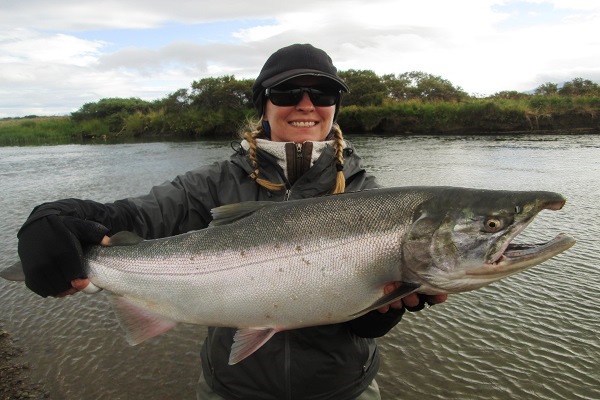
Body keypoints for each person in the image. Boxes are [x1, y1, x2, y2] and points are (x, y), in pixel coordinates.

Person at [17, 43, 447, 400]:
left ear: (335, 107)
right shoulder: (211, 183)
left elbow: (368, 315)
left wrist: (377, 314)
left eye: (322, 94)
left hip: (342, 390)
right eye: (286, 93)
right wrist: (59, 219)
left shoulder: (369, 195)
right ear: (264, 104)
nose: (306, 105)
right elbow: (129, 216)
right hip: (232, 388)